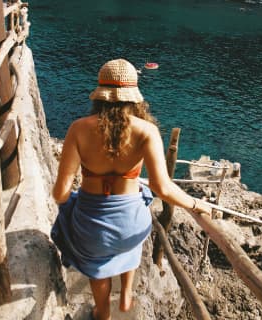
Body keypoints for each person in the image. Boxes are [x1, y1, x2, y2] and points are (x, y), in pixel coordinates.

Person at [51, 58, 211, 320]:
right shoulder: (147, 131)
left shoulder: (78, 129)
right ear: (134, 96)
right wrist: (196, 204)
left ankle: (102, 312)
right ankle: (126, 293)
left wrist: (74, 201)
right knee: (140, 205)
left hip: (92, 229)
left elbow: (60, 194)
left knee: (97, 265)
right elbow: (162, 187)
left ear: (100, 94)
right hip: (132, 228)